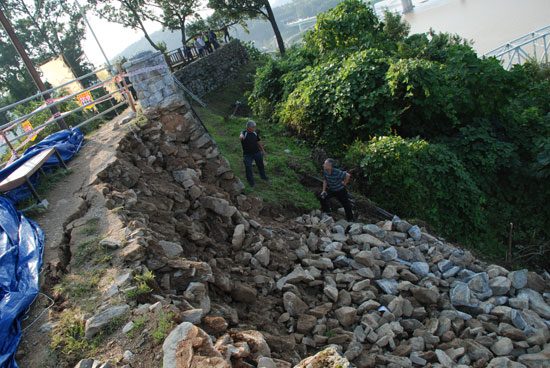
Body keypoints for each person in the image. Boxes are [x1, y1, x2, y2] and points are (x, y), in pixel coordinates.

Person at [239, 120, 271, 190]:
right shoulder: (244, 132)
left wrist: (263, 150)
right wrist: (241, 137)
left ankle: (264, 177)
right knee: (248, 168)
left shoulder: (255, 133)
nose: (254, 129)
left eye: (254, 127)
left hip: (257, 153)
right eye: (253, 127)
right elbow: (241, 136)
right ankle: (251, 183)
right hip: (247, 155)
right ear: (248, 127)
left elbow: (258, 141)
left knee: (261, 165)